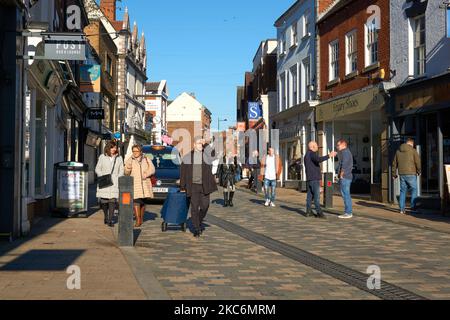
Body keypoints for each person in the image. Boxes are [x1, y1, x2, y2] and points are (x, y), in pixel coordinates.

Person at [180, 136, 218, 238]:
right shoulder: (187, 157)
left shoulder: (206, 155)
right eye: (198, 144)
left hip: (204, 185)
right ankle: (196, 228)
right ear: (194, 145)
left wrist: (205, 143)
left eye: (201, 144)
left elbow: (214, 155)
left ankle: (199, 221)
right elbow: (183, 172)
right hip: (193, 186)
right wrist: (182, 186)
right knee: (194, 208)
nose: (200, 145)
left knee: (205, 206)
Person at [124, 144, 156, 227]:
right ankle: (138, 219)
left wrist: (146, 174)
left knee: (143, 202)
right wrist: (128, 168)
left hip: (145, 183)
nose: (135, 153)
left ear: (140, 151)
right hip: (135, 183)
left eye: (136, 151)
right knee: (136, 201)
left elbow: (152, 169)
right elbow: (126, 172)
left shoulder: (146, 158)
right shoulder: (130, 159)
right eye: (133, 151)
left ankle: (141, 218)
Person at [304, 141, 337, 218]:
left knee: (309, 196)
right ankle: (319, 212)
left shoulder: (306, 155)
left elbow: (313, 164)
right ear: (312, 147)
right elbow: (318, 159)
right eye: (316, 145)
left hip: (309, 178)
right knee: (316, 196)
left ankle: (308, 211)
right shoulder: (312, 154)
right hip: (314, 179)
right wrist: (329, 155)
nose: (318, 146)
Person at [95, 141, 124, 227]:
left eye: (115, 147)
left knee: (112, 201)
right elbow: (97, 168)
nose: (114, 149)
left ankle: (110, 220)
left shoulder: (119, 158)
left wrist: (118, 177)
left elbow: (121, 170)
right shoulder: (102, 157)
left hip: (114, 182)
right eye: (112, 147)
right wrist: (102, 176)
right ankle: (105, 216)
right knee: (104, 201)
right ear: (108, 148)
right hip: (104, 181)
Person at [392, 138, 421, 214]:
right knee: (414, 190)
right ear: (411, 143)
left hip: (402, 174)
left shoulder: (398, 151)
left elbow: (394, 163)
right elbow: (418, 162)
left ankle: (402, 209)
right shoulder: (413, 150)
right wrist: (419, 171)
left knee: (402, 191)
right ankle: (413, 207)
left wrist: (394, 174)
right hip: (411, 173)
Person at [336, 139, 354, 219]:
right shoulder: (345, 152)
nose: (337, 147)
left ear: (343, 144)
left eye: (338, 145)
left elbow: (344, 164)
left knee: (346, 194)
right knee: (345, 194)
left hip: (345, 177)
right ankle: (348, 212)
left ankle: (348, 212)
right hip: (346, 176)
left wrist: (341, 175)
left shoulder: (345, 152)